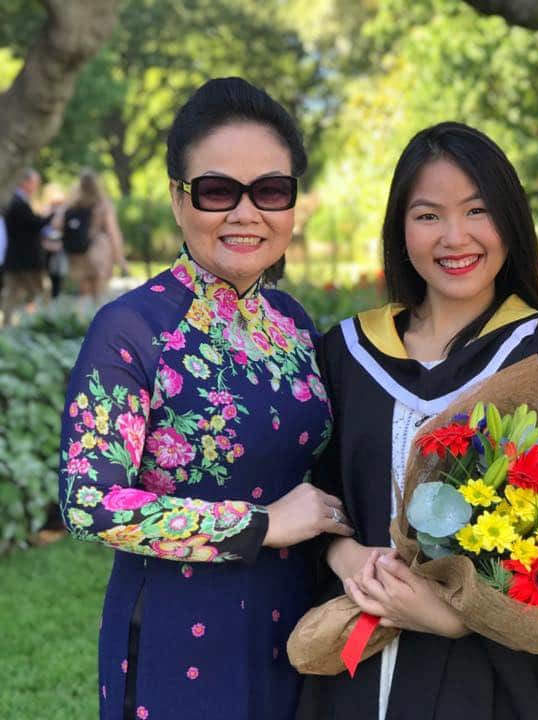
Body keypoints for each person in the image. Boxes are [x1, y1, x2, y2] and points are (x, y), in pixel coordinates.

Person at [58, 77, 352, 720]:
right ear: (177, 198)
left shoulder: (293, 321)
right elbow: (89, 503)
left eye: (270, 190)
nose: (246, 214)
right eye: (218, 190)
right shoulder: (131, 329)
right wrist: (260, 524)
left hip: (296, 622)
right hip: (177, 630)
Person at [297, 122, 538, 720]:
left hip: (489, 680)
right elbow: (317, 493)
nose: (455, 236)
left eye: (477, 210)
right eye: (428, 215)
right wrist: (344, 557)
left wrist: (454, 616)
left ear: (510, 219)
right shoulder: (348, 354)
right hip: (352, 662)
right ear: (400, 228)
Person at [62, 169, 130, 302]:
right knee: (99, 295)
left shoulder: (73, 205)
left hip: (78, 253)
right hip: (99, 251)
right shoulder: (103, 205)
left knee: (84, 294)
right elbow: (113, 233)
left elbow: (58, 225)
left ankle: (82, 315)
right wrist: (120, 258)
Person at [2, 168, 51, 324]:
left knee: (13, 294)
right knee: (37, 293)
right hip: (27, 260)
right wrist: (51, 216)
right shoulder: (18, 203)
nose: (36, 187)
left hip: (15, 259)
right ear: (25, 182)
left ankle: (11, 324)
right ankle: (36, 323)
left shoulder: (15, 201)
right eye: (34, 183)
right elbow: (33, 225)